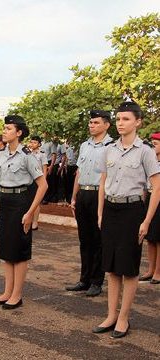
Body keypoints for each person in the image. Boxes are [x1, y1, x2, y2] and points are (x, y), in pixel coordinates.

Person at [92, 101, 159, 338]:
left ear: (138, 122)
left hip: (133, 213)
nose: (121, 123)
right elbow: (103, 182)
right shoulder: (109, 149)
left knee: (128, 268)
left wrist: (147, 221)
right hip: (110, 210)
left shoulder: (146, 151)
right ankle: (110, 315)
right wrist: (100, 212)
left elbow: (157, 187)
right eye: (118, 119)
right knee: (111, 267)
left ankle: (123, 318)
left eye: (126, 119)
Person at [0, 115, 47, 310]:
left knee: (19, 250)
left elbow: (42, 185)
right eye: (4, 128)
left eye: (8, 129)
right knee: (6, 248)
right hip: (4, 200)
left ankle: (17, 295)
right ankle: (7, 291)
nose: (4, 131)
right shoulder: (0, 154)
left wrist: (30, 212)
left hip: (21, 201)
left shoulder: (27, 155)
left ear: (19, 133)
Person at [67, 110, 114, 297]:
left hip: (99, 195)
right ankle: (84, 279)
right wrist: (73, 196)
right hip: (83, 195)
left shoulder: (111, 146)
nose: (91, 125)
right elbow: (79, 172)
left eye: (95, 122)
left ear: (106, 125)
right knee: (84, 239)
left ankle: (96, 281)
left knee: (98, 239)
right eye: (90, 122)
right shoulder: (85, 145)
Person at [141, 132, 160, 284]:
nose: (153, 147)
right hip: (150, 199)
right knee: (150, 238)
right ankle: (150, 269)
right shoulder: (150, 161)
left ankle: (158, 273)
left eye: (156, 145)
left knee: (159, 238)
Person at [28, 135, 48, 231]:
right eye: (31, 142)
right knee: (29, 201)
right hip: (29, 180)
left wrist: (44, 182)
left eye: (35, 142)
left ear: (39, 144)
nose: (32, 144)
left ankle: (35, 222)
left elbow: (44, 169)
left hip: (38, 180)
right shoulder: (28, 154)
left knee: (36, 202)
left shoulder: (42, 155)